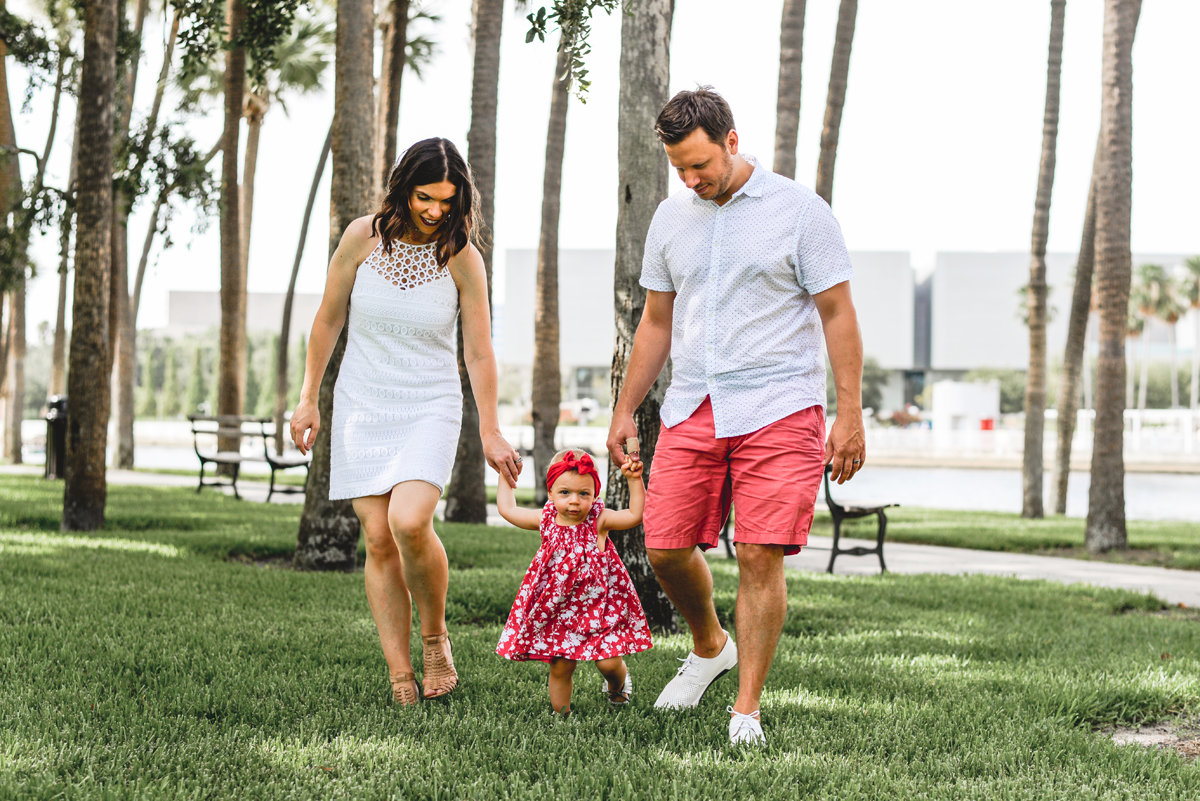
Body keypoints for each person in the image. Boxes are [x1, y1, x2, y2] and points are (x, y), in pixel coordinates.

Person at [605, 87, 866, 745]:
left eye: (702, 165)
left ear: (731, 139)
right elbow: (656, 322)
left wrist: (850, 412)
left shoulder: (800, 212)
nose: (693, 180)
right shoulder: (671, 217)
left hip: (781, 405)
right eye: (680, 169)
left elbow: (838, 313)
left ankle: (745, 708)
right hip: (693, 401)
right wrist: (623, 410)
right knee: (663, 545)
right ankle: (709, 645)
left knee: (758, 551)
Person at [290, 137, 521, 706]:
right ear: (402, 188)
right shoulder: (361, 237)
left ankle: (436, 638)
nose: (436, 210)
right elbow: (326, 321)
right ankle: (400, 674)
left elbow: (480, 351)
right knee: (377, 537)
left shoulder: (462, 255)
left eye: (447, 199)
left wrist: (490, 428)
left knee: (411, 521)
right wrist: (306, 398)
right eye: (425, 197)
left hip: (429, 403)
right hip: (363, 402)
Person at [495, 449, 653, 716]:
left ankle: (617, 686)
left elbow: (635, 514)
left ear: (595, 495)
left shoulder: (598, 520)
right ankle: (562, 717)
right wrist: (505, 475)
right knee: (560, 665)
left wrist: (634, 480)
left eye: (584, 494)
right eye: (565, 493)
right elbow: (508, 509)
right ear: (551, 493)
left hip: (600, 607)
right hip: (558, 610)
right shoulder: (545, 519)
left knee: (609, 663)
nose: (575, 501)